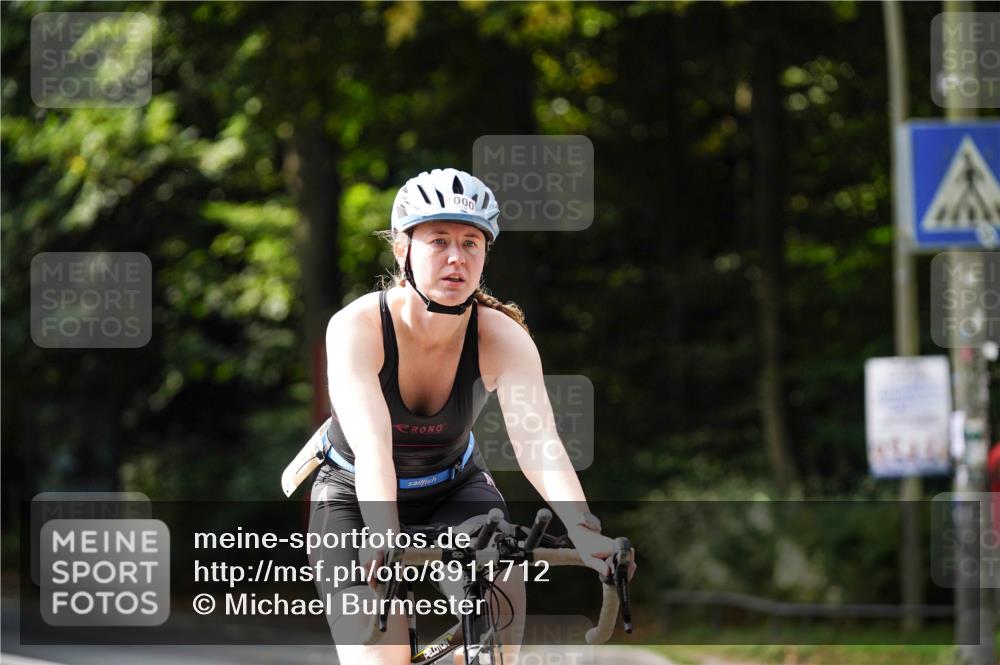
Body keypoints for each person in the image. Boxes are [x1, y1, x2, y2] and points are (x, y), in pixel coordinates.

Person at [307, 168, 633, 665]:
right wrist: (382, 537)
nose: (457, 258)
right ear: (403, 249)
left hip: (454, 488)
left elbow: (538, 441)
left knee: (501, 595)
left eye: (471, 243)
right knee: (380, 655)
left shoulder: (501, 335)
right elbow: (375, 450)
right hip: (355, 496)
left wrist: (584, 530)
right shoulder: (357, 326)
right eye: (438, 241)